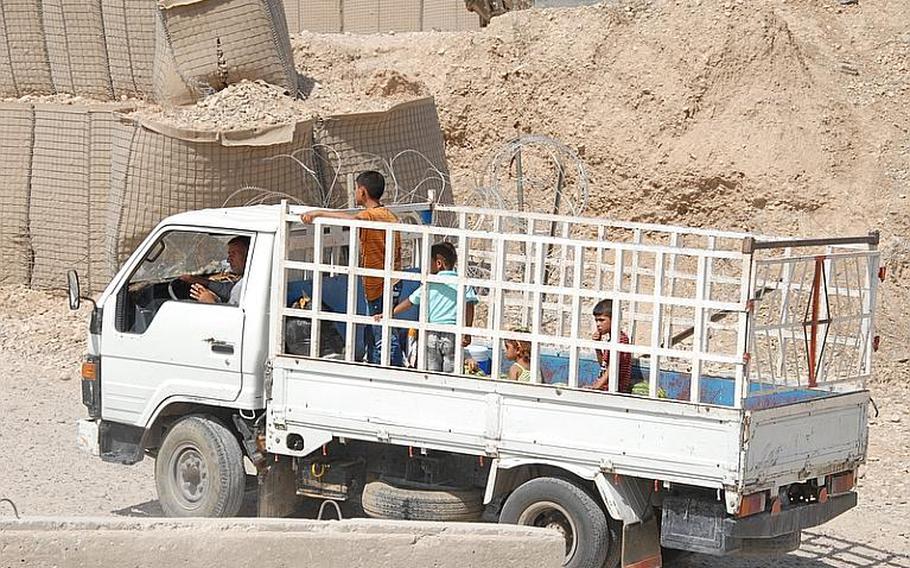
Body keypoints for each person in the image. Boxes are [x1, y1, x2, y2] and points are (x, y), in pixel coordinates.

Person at [301, 170, 403, 366]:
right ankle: (375, 363)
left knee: (382, 330)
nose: (355, 193)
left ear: (363, 192)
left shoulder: (371, 215)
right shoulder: (387, 214)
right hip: (388, 281)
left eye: (356, 189)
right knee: (376, 329)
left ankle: (390, 368)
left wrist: (319, 213)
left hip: (379, 283)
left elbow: (353, 221)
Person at [375, 242, 478, 373]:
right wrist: (466, 330)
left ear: (439, 263)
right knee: (452, 373)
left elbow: (410, 301)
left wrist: (388, 313)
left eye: (429, 262)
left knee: (432, 371)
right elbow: (469, 306)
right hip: (453, 334)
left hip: (431, 333)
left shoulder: (430, 284)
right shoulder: (462, 283)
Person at [183, 236, 250, 306]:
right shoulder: (244, 282)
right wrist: (201, 281)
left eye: (233, 255)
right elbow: (228, 291)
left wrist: (211, 302)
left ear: (248, 255)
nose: (228, 260)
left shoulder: (245, 285)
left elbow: (230, 316)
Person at [588, 299, 633, 393]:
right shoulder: (611, 340)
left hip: (614, 389)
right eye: (596, 320)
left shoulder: (621, 340)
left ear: (614, 319)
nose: (598, 324)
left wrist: (596, 387)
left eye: (601, 320)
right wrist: (597, 346)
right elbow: (604, 365)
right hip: (605, 388)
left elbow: (613, 366)